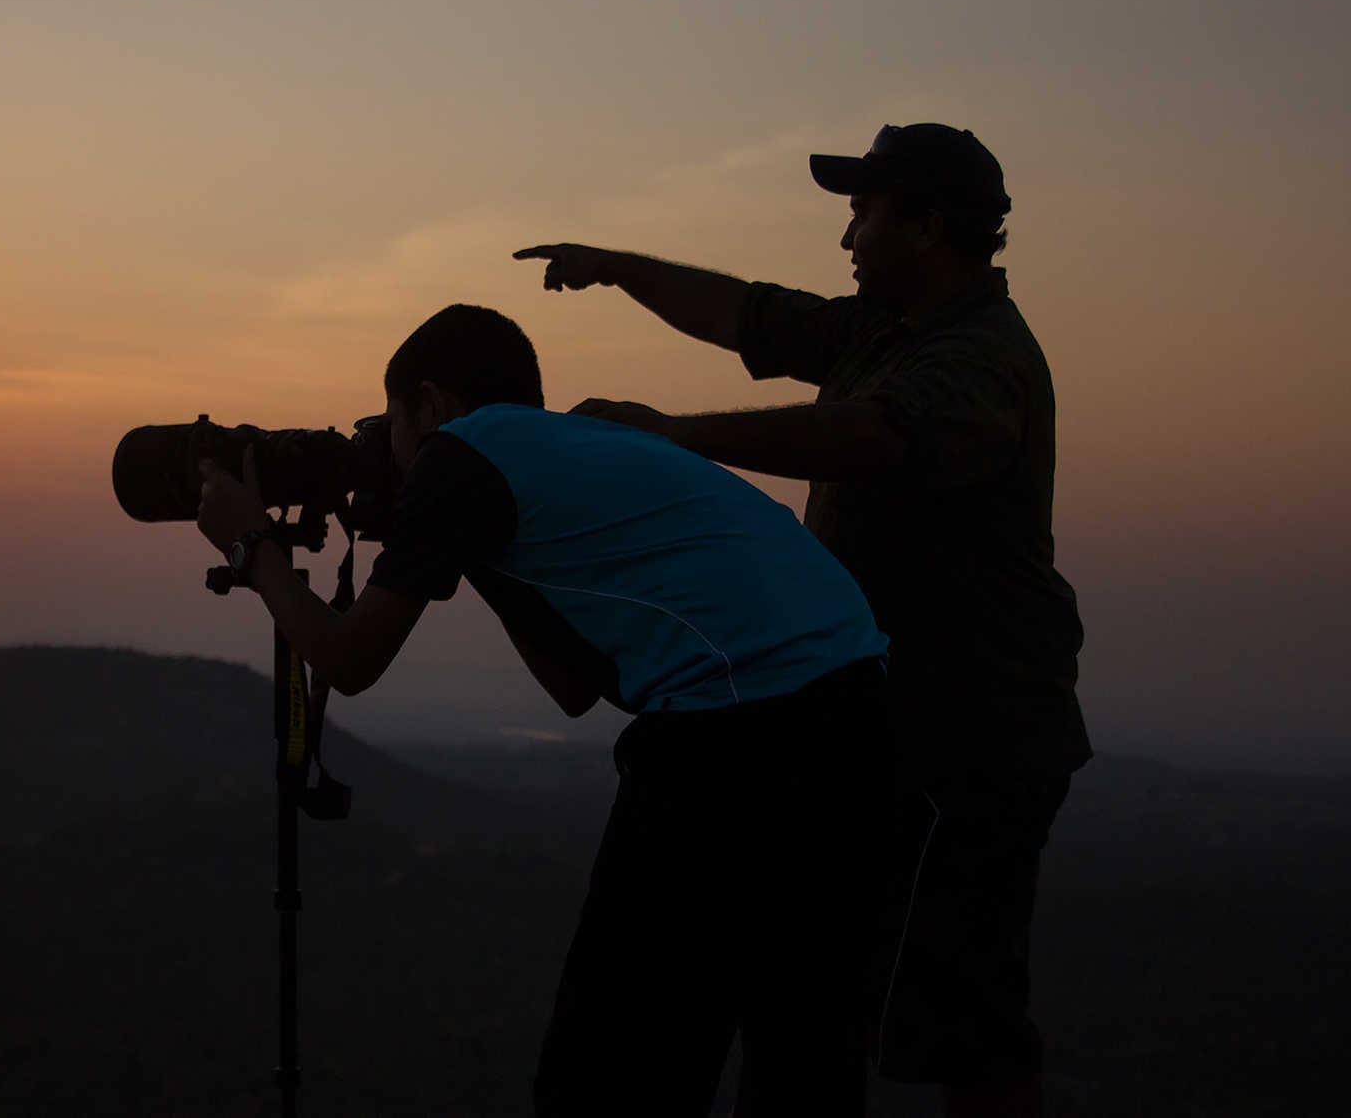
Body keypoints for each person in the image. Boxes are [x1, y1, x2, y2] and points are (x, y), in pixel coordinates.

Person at [516, 122, 1088, 1118]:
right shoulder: (880, 331)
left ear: (928, 225)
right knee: (844, 1002)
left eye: (862, 216)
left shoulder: (977, 359)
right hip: (891, 721)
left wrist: (674, 437)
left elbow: (871, 435)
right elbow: (748, 314)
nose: (846, 240)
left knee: (967, 1015)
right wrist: (615, 269)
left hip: (973, 731)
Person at [195, 303, 894, 1116]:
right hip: (857, 719)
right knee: (801, 1073)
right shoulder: (565, 451)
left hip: (738, 734)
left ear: (430, 405)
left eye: (390, 425)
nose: (383, 454)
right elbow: (572, 685)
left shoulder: (462, 451)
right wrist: (467, 547)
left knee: (603, 1081)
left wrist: (253, 549)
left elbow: (350, 660)